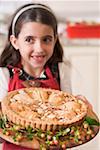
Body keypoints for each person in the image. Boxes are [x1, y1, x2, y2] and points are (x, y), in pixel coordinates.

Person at [0, 3, 92, 150]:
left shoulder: (61, 71)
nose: (39, 48)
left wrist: (82, 114)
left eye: (46, 39)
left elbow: (66, 121)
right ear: (15, 42)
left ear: (55, 40)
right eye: (29, 39)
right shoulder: (4, 75)